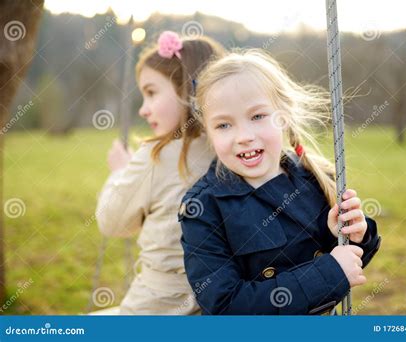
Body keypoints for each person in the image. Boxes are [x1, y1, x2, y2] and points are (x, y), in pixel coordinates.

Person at [178, 50, 381, 315]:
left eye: (257, 116)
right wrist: (329, 271)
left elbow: (348, 263)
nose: (244, 136)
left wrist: (356, 236)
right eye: (224, 125)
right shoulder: (203, 207)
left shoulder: (314, 177)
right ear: (208, 131)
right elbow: (225, 305)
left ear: (283, 116)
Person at [96, 31, 225, 314]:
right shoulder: (232, 153)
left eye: (151, 92)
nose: (143, 110)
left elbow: (112, 222)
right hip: (217, 307)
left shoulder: (155, 156)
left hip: (154, 310)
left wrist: (119, 173)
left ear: (186, 91)